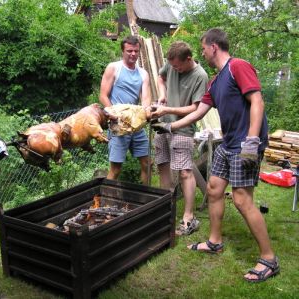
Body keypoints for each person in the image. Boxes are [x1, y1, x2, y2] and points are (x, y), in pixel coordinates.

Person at [151, 28, 279, 282]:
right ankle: (214, 241)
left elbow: (257, 101)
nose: (201, 53)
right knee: (213, 189)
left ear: (213, 47)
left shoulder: (237, 67)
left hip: (245, 144)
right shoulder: (216, 80)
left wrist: (252, 141)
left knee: (242, 200)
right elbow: (199, 112)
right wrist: (170, 125)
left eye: (203, 48)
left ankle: (269, 259)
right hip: (228, 143)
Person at [152, 41, 208, 236]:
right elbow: (160, 77)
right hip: (162, 125)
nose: (174, 69)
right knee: (162, 165)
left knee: (185, 172)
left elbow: (196, 108)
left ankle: (189, 218)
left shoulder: (200, 76)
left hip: (183, 128)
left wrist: (168, 109)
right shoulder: (172, 63)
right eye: (172, 66)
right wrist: (162, 96)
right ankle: (165, 210)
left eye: (177, 66)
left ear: (189, 59)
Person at [99, 36, 151, 184]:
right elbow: (103, 95)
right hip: (118, 124)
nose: (133, 54)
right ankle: (106, 200)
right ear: (123, 50)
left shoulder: (143, 74)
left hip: (136, 125)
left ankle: (145, 197)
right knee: (116, 169)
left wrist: (146, 112)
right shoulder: (114, 68)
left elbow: (146, 98)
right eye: (129, 51)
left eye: (136, 51)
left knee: (147, 163)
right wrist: (112, 114)